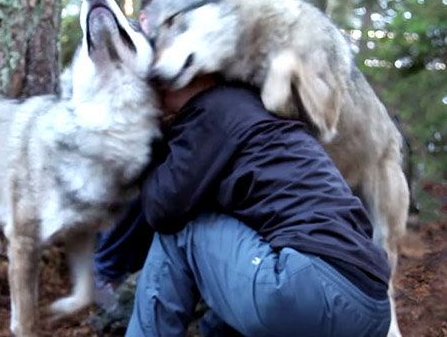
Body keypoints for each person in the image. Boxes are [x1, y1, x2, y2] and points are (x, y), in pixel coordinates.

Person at [124, 70, 392, 336]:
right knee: (220, 322)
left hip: (308, 289)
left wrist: (150, 142)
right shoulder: (258, 109)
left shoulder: (214, 108)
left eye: (161, 82)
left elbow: (162, 209)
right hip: (371, 307)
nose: (155, 96)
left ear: (197, 77)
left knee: (181, 229)